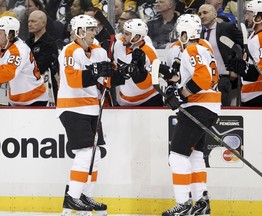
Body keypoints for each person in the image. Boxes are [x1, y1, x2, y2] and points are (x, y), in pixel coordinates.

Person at [161, 13, 221, 216]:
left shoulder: (192, 50)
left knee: (177, 156)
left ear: (185, 33)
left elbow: (202, 78)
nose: (179, 36)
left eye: (180, 33)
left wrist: (182, 93)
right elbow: (199, 75)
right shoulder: (204, 46)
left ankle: (183, 204)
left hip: (199, 107)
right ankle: (201, 202)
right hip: (210, 107)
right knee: (195, 155)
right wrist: (175, 83)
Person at [56, 14, 113, 215]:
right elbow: (74, 81)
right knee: (85, 152)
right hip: (72, 109)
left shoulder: (98, 50)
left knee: (96, 153)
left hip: (92, 109)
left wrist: (116, 73)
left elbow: (108, 77)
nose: (94, 32)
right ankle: (73, 197)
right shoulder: (69, 51)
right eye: (90, 29)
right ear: (79, 31)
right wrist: (97, 72)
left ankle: (85, 196)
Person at [226, 0, 262, 107]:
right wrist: (240, 66)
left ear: (259, 17)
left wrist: (244, 68)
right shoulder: (255, 34)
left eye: (249, 14)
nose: (246, 18)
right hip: (252, 94)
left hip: (260, 95)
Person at [198, 4, 243, 106]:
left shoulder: (226, 27)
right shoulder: (200, 34)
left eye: (205, 13)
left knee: (222, 112)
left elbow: (244, 45)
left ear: (215, 14)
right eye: (199, 14)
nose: (202, 16)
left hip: (225, 79)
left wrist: (235, 67)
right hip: (206, 81)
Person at [112, 18, 163, 106]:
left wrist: (138, 73)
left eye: (127, 34)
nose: (123, 36)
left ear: (136, 37)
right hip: (124, 102)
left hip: (149, 100)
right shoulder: (119, 44)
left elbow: (149, 82)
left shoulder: (149, 53)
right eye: (124, 32)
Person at [0, 16, 48, 106]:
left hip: (34, 99)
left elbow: (7, 73)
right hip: (16, 99)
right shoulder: (4, 46)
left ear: (10, 34)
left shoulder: (19, 50)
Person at [25, 10, 59, 105]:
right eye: (28, 21)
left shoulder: (49, 43)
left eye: (33, 21)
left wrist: (24, 68)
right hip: (28, 87)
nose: (30, 24)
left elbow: (41, 66)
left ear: (43, 23)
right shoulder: (27, 42)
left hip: (45, 87)